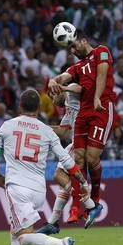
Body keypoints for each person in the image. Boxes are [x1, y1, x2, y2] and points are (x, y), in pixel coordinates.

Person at [0, 89, 90, 245]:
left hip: (18, 187)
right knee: (15, 234)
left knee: (24, 237)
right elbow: (67, 160)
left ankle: (61, 244)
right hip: (39, 192)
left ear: (20, 106)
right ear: (39, 108)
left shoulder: (7, 126)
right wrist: (81, 180)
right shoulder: (46, 130)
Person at [49, 28, 115, 225]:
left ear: (84, 40)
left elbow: (101, 75)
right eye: (70, 49)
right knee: (78, 160)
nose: (73, 50)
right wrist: (54, 80)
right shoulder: (78, 67)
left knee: (91, 158)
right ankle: (78, 206)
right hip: (84, 114)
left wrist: (96, 96)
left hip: (102, 107)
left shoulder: (101, 51)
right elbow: (64, 77)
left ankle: (95, 197)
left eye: (74, 46)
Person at [36, 84, 103, 235]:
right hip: (74, 143)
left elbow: (81, 88)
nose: (53, 101)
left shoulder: (73, 95)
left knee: (59, 176)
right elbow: (61, 131)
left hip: (81, 143)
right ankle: (53, 222)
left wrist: (63, 87)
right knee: (63, 183)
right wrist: (39, 127)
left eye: (53, 97)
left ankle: (91, 206)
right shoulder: (68, 110)